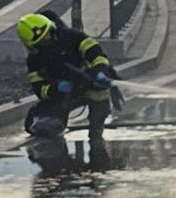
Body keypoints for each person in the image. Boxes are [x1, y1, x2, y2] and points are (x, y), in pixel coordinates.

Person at [17, 11, 118, 143]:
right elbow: (39, 89)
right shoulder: (35, 61)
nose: (47, 40)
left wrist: (101, 70)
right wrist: (57, 88)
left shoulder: (73, 37)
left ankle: (96, 135)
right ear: (32, 46)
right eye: (42, 41)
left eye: (48, 35)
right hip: (64, 96)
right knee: (45, 127)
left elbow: (96, 54)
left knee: (101, 93)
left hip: (90, 85)